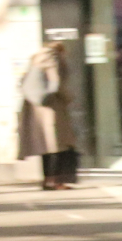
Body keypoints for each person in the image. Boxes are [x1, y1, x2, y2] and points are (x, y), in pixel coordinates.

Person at [16, 40, 76, 190]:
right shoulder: (53, 58)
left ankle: (47, 180)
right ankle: (56, 181)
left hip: (35, 109)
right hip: (52, 107)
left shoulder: (35, 59)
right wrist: (68, 98)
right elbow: (57, 83)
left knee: (46, 146)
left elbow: (22, 81)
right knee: (57, 144)